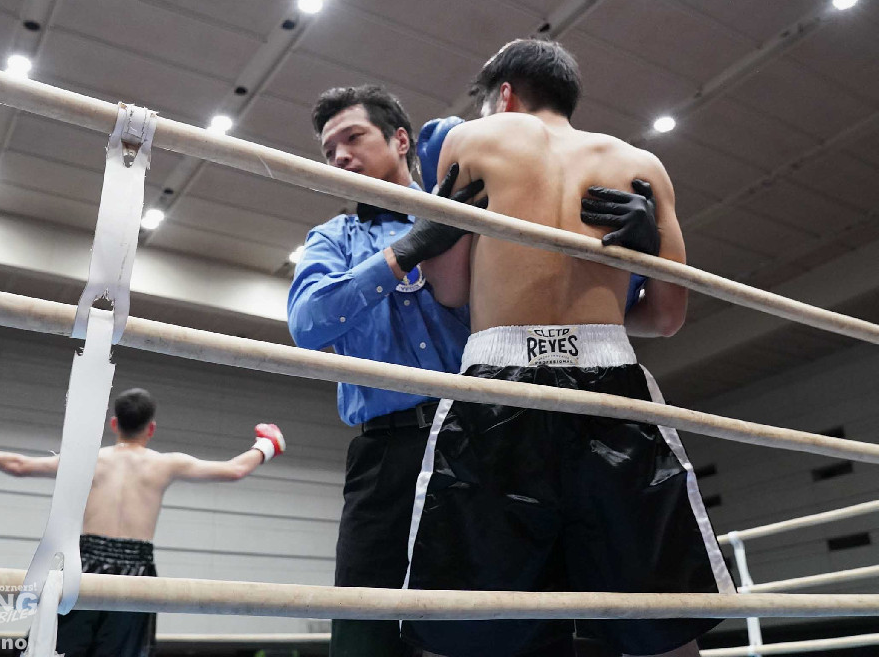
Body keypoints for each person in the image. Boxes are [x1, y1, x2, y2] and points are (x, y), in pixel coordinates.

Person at [288, 85, 663, 657]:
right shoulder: (333, 239)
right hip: (387, 454)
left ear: (400, 139)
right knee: (365, 628)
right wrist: (405, 251)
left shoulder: (478, 211)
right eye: (328, 149)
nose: (340, 156)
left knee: (500, 626)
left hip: (486, 437)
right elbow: (308, 324)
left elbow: (564, 297)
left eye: (353, 137)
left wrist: (642, 257)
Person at [401, 39, 735, 657]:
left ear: (503, 95)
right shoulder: (641, 165)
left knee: (474, 620)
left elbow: (449, 292)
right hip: (610, 377)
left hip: (499, 379)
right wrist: (610, 287)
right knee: (658, 615)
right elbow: (667, 317)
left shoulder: (468, 140)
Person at [0, 387, 286, 657]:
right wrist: (266, 444)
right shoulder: (167, 463)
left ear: (114, 424)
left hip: (83, 566)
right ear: (151, 428)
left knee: (56, 649)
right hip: (136, 572)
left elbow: (20, 466)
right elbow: (234, 470)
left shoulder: (90, 459)